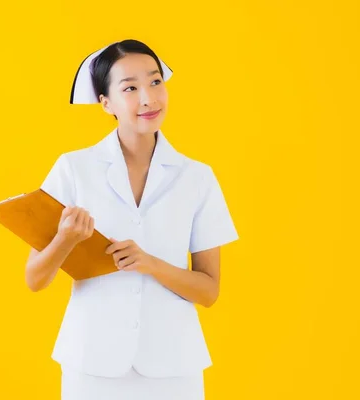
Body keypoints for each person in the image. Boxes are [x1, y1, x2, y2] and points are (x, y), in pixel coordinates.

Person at [24, 39, 239, 400]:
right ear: (105, 102)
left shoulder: (197, 178)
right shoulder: (73, 170)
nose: (148, 98)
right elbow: (35, 278)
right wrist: (65, 239)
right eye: (130, 88)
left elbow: (209, 291)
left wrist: (150, 264)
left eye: (155, 82)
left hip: (174, 367)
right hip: (92, 364)